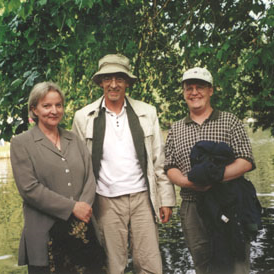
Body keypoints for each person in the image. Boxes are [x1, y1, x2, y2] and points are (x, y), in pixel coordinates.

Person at [72, 53, 176, 274]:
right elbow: (78, 168)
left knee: (150, 265)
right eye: (108, 78)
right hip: (105, 200)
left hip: (142, 199)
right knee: (112, 266)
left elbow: (159, 160)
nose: (113, 84)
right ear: (100, 81)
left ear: (128, 82)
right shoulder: (83, 117)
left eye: (119, 78)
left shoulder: (147, 113)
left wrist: (165, 200)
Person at [164, 67, 256, 274]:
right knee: (202, 263)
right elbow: (169, 166)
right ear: (184, 93)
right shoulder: (176, 128)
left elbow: (246, 161)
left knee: (237, 261)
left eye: (200, 87)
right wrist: (190, 183)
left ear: (211, 90)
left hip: (229, 202)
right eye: (189, 88)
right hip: (192, 206)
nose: (194, 92)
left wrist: (213, 178)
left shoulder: (230, 121)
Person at [10, 82, 100, 274]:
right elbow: (29, 189)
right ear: (34, 109)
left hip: (81, 234)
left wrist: (83, 207)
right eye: (47, 105)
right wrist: (72, 208)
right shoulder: (21, 143)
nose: (54, 110)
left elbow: (89, 177)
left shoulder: (74, 139)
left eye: (58, 105)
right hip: (44, 237)